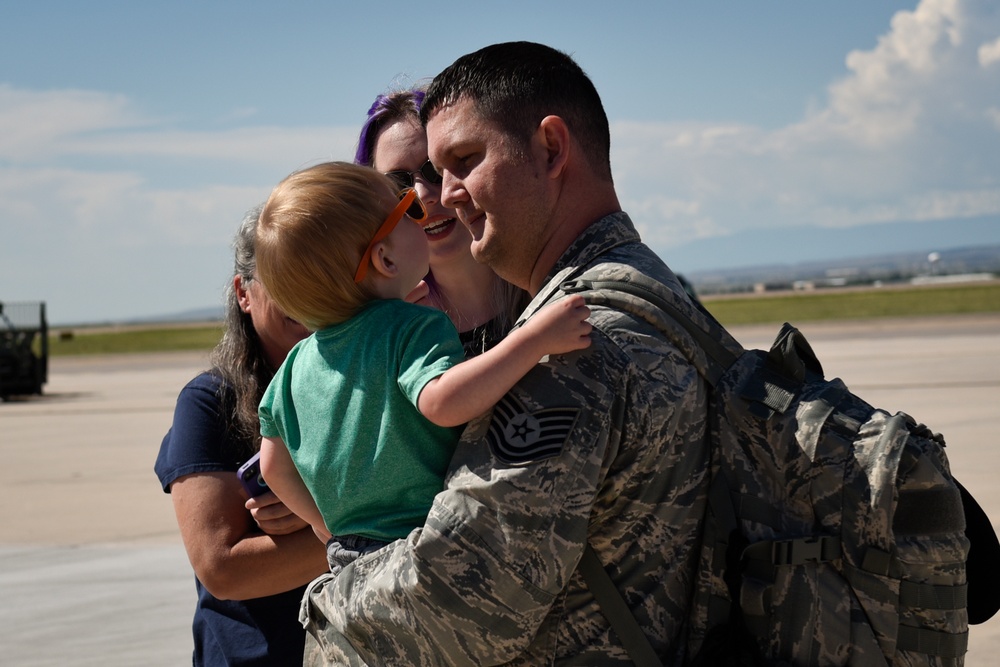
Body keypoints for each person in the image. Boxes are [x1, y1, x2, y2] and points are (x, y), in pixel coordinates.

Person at [302, 41, 723, 665]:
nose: (441, 196)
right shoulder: (638, 290)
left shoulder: (576, 340)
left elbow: (462, 601)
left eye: (464, 162)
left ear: (551, 149)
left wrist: (326, 611)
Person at [252, 161, 592, 578]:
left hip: (349, 562)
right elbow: (443, 401)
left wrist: (326, 525)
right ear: (385, 259)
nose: (423, 212)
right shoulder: (414, 326)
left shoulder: (293, 366)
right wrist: (535, 339)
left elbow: (272, 466)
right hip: (427, 548)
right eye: (408, 209)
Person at [154, 206, 329, 665]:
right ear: (243, 293)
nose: (301, 288)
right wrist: (359, 533)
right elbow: (222, 569)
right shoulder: (210, 401)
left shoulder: (359, 386)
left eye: (316, 272)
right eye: (282, 273)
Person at [354, 87, 526, 355]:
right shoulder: (383, 331)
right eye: (398, 183)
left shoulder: (550, 285)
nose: (422, 196)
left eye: (434, 170)